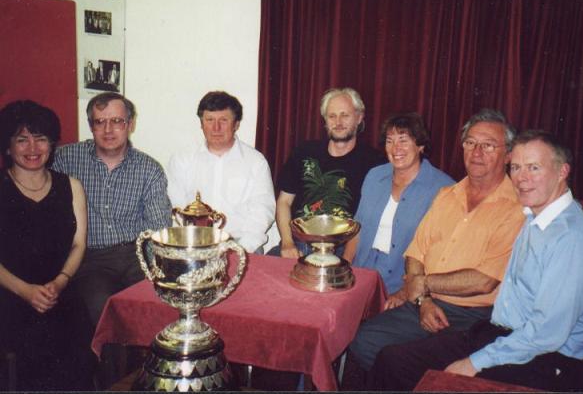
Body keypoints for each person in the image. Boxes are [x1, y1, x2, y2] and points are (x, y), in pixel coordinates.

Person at [372, 130, 583, 391]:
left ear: (562, 171)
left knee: (438, 380)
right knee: (393, 361)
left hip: (549, 361)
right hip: (505, 336)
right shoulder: (535, 217)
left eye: (534, 167)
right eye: (516, 167)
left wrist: (473, 363)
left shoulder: (571, 238)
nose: (521, 178)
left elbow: (545, 335)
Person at [347, 108, 524, 375]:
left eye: (488, 145)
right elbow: (416, 253)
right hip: (425, 301)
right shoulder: (447, 195)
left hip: (472, 315)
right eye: (470, 143)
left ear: (508, 154)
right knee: (363, 340)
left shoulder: (517, 207)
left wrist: (421, 286)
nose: (477, 153)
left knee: (398, 359)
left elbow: (484, 280)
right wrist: (423, 301)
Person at [52, 92, 172, 328]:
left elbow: (158, 230)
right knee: (102, 308)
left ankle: (145, 364)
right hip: (90, 258)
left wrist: (155, 275)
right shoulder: (65, 160)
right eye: (100, 122)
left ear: (130, 124)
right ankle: (114, 366)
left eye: (116, 121)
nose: (108, 129)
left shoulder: (149, 169)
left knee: (157, 304)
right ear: (91, 126)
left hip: (135, 255)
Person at [0, 100, 94, 390]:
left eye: (40, 139)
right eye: (22, 139)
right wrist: (26, 291)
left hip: (59, 290)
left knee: (78, 341)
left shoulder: (72, 186)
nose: (32, 148)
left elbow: (79, 244)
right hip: (10, 292)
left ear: (52, 145)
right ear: (7, 147)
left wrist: (61, 281)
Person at [342, 113, 454, 295]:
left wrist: (405, 293)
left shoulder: (443, 188)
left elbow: (439, 254)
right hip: (360, 273)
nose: (396, 148)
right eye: (389, 141)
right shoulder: (374, 176)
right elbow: (357, 229)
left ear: (420, 145)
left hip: (402, 284)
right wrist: (344, 267)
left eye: (403, 140)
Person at [274, 87, 384, 258]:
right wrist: (287, 244)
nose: (338, 122)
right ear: (325, 120)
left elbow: (368, 220)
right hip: (297, 243)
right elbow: (284, 202)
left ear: (359, 118)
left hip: (342, 249)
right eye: (332, 116)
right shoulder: (304, 151)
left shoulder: (375, 163)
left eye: (345, 115)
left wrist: (346, 261)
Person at [167, 91, 275, 253]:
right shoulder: (182, 160)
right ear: (201, 123)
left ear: (236, 124)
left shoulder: (255, 162)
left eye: (223, 120)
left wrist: (239, 249)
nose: (216, 127)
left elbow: (262, 211)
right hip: (194, 244)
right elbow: (176, 207)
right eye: (209, 120)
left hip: (242, 243)